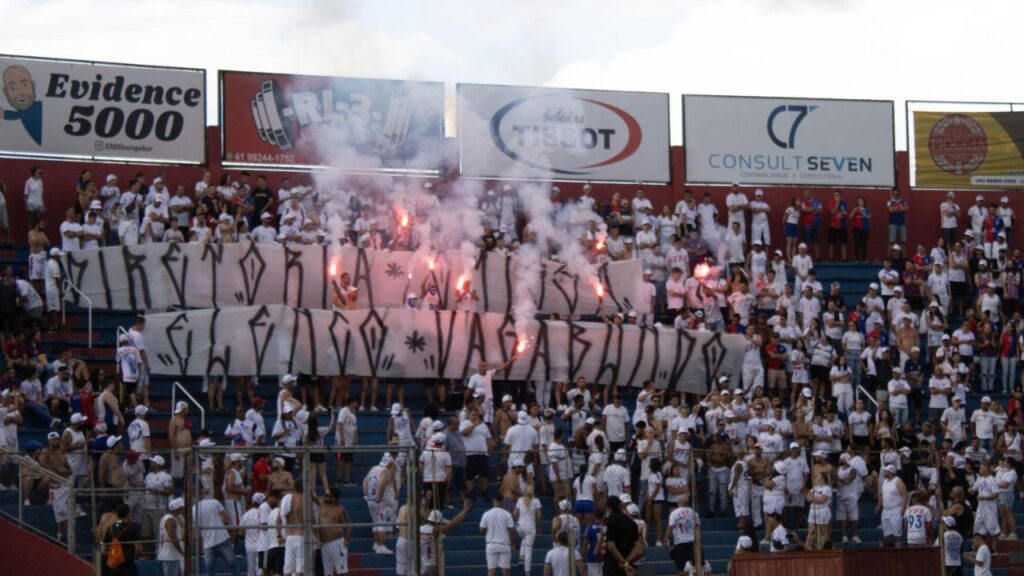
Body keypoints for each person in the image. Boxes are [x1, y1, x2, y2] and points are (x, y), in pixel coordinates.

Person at [420, 502, 472, 576]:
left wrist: (423, 505)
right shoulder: (436, 530)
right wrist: (464, 511)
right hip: (432, 565)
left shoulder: (421, 529)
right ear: (437, 523)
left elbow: (423, 515)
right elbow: (453, 523)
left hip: (422, 564)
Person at [603, 495, 642, 576]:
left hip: (613, 564)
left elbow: (611, 546)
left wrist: (624, 563)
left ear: (608, 507)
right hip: (629, 563)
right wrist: (627, 561)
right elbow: (637, 546)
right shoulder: (631, 523)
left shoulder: (610, 520)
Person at [480, 494, 517, 576]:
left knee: (491, 570)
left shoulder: (487, 514)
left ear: (494, 500)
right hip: (504, 544)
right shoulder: (507, 515)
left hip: (491, 544)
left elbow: (482, 530)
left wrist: (488, 530)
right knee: (505, 570)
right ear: (502, 502)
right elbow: (512, 530)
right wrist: (513, 544)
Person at [318, 487, 352, 576]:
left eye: (328, 496)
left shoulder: (340, 509)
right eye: (325, 495)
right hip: (324, 543)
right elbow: (311, 496)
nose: (325, 497)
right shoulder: (321, 503)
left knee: (342, 570)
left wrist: (347, 539)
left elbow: (348, 525)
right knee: (327, 572)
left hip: (336, 542)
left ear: (334, 498)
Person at [102, 502, 141, 576]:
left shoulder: (110, 529)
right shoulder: (131, 529)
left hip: (114, 567)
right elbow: (139, 548)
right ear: (128, 514)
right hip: (128, 566)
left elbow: (104, 550)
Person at [514, 486, 542, 576]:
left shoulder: (519, 500)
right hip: (530, 526)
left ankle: (521, 557)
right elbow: (539, 516)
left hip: (520, 526)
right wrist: (538, 526)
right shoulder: (536, 501)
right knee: (529, 550)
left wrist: (518, 520)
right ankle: (527, 572)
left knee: (525, 539)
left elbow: (515, 513)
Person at [877, 464, 907, 547]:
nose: (884, 472)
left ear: (890, 472)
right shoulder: (884, 482)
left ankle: (898, 547)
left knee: (896, 533)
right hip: (886, 510)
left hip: (896, 509)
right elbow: (881, 493)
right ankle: (889, 548)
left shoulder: (897, 481)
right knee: (887, 533)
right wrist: (880, 504)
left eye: (885, 470)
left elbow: (904, 494)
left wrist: (903, 508)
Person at [668, 493, 698, 575]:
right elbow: (698, 527)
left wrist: (666, 539)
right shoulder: (694, 513)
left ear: (678, 503)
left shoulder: (674, 513)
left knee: (680, 567)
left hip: (680, 542)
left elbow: (670, 527)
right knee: (694, 567)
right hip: (692, 542)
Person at [158, 497, 186, 576]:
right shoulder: (171, 520)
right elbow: (172, 537)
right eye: (182, 508)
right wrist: (181, 551)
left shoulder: (169, 517)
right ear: (178, 509)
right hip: (170, 556)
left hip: (171, 555)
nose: (183, 510)